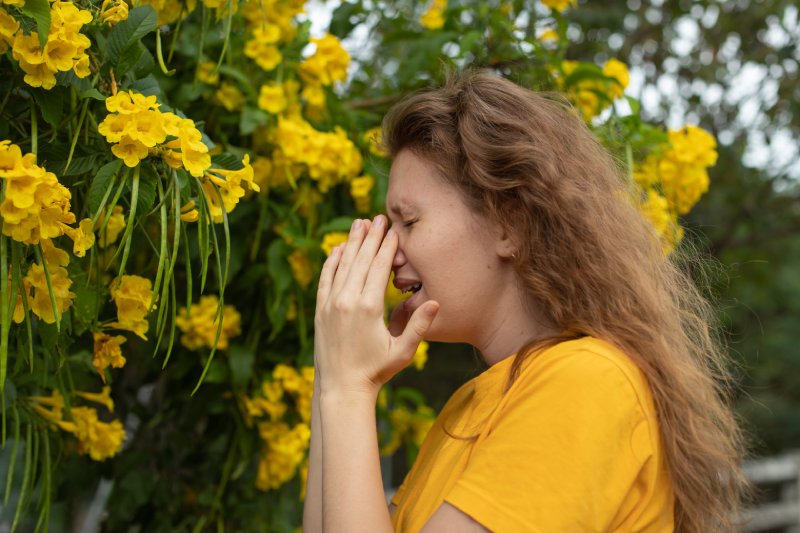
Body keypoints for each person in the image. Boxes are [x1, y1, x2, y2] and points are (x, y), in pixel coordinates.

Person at [303, 71, 750, 532]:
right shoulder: (471, 408)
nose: (390, 250)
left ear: (507, 225)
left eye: (409, 222)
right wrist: (333, 380)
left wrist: (349, 391)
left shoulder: (586, 384)